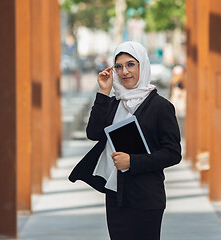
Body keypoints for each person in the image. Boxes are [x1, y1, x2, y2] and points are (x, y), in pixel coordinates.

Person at [68, 41, 182, 240]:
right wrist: (104, 92)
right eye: (119, 66)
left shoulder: (160, 106)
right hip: (116, 195)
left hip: (146, 197)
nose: (124, 72)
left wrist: (132, 161)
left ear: (142, 66)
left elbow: (173, 153)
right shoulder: (114, 103)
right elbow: (93, 133)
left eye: (131, 64)